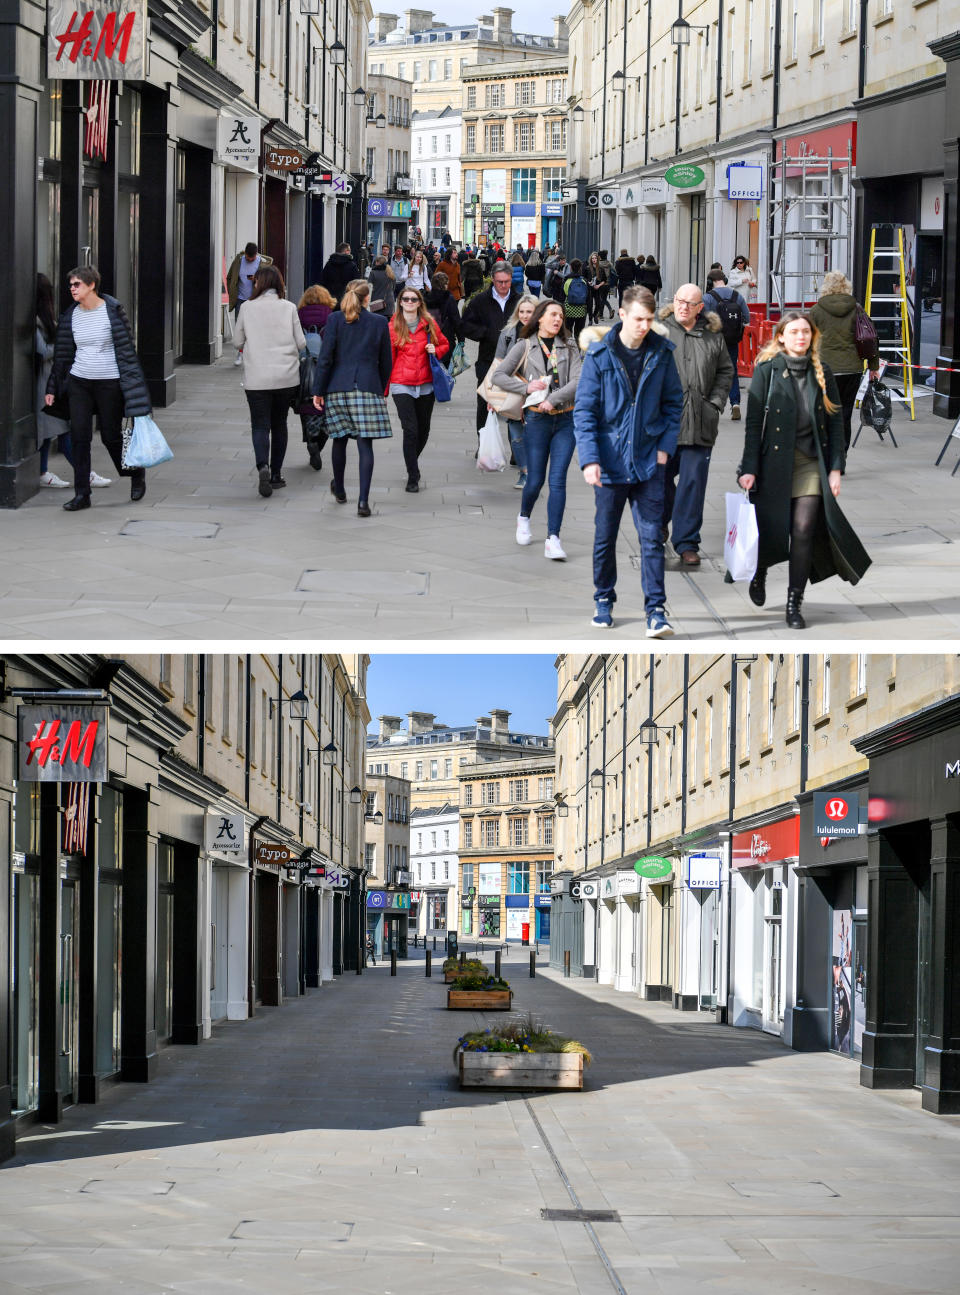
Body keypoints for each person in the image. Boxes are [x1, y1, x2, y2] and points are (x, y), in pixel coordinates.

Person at [738, 310, 871, 628]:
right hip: (773, 463)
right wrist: (749, 467)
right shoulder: (767, 369)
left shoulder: (822, 370)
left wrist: (836, 468)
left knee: (802, 532)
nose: (801, 336)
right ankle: (760, 573)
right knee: (771, 532)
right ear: (781, 336)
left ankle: (794, 603)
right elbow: (754, 423)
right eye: (794, 331)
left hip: (811, 464)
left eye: (806, 332)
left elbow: (837, 420)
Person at [573, 285, 684, 633]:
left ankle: (656, 610)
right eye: (638, 319)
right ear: (622, 315)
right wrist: (589, 459)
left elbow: (673, 403)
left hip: (649, 460)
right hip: (608, 461)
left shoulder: (662, 353)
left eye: (650, 320)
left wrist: (666, 445)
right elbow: (585, 411)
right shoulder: (599, 356)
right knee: (605, 535)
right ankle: (603, 599)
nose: (644, 326)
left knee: (652, 537)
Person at [45, 264, 151, 512]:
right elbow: (61, 357)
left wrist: (133, 386)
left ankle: (135, 473)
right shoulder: (70, 316)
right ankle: (82, 494)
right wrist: (52, 388)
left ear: (91, 285)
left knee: (111, 437)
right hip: (79, 382)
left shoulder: (112, 311)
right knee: (79, 437)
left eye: (77, 284)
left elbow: (127, 350)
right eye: (70, 285)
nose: (72, 288)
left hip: (109, 383)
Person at [492, 298, 583, 560]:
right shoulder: (524, 346)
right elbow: (499, 376)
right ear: (540, 318)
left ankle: (553, 538)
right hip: (536, 421)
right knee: (535, 479)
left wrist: (552, 400)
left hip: (566, 419)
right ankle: (524, 517)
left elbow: (579, 380)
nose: (557, 320)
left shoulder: (570, 346)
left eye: (560, 316)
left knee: (558, 480)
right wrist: (526, 388)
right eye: (552, 315)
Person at [658, 284, 734, 568]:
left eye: (691, 303)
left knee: (692, 482)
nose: (684, 307)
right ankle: (659, 525)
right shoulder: (659, 331)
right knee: (661, 479)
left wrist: (714, 404)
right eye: (680, 301)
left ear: (701, 307)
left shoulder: (713, 335)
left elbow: (726, 371)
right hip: (665, 424)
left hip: (700, 421)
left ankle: (687, 542)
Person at [312, 279, 393, 518]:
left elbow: (325, 359)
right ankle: (363, 502)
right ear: (367, 298)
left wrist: (318, 390)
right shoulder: (379, 322)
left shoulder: (335, 320)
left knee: (339, 439)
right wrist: (379, 388)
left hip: (338, 387)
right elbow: (386, 362)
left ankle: (339, 489)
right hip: (367, 387)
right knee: (364, 444)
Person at [233, 265, 305, 498]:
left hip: (257, 378)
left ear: (259, 284)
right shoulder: (289, 308)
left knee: (260, 425)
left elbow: (236, 342)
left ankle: (262, 465)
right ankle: (275, 474)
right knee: (280, 424)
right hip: (286, 377)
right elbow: (302, 342)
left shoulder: (247, 308)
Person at [809, 270, 880, 453]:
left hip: (826, 369)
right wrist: (873, 367)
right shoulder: (856, 309)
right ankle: (841, 456)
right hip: (852, 369)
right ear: (846, 285)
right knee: (845, 413)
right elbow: (870, 337)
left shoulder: (816, 310)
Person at [388, 286, 450, 492]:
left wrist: (436, 349)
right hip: (401, 383)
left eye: (413, 299)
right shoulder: (393, 325)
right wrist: (385, 387)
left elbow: (445, 344)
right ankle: (413, 475)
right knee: (410, 429)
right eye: (405, 299)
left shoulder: (428, 324)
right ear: (400, 302)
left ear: (419, 302)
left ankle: (411, 459)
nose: (409, 302)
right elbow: (388, 358)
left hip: (426, 384)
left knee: (424, 429)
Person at [462, 263, 522, 435]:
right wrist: (486, 333)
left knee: (514, 404)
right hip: (488, 360)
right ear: (492, 280)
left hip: (514, 362)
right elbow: (465, 325)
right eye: (499, 282)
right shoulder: (480, 301)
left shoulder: (519, 301)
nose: (503, 286)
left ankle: (516, 449)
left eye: (507, 282)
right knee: (484, 403)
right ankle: (484, 446)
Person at [36, 272, 83, 490]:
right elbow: (42, 350)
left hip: (49, 382)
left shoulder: (43, 320)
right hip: (44, 384)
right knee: (60, 429)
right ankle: (84, 472)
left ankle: (43, 472)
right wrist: (62, 345)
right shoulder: (37, 322)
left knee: (51, 431)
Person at [492, 294, 538, 489]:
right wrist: (493, 394)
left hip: (537, 391)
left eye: (529, 311)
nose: (525, 315)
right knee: (516, 435)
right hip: (513, 390)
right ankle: (524, 472)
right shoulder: (509, 332)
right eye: (522, 311)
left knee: (535, 434)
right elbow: (498, 363)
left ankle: (535, 470)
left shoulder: (545, 333)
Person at [296, 284, 336, 471]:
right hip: (325, 371)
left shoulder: (298, 315)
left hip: (303, 371)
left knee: (306, 408)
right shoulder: (332, 316)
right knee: (326, 411)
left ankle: (310, 440)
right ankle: (318, 444)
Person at [704, 270, 750, 420]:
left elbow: (702, 319)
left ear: (710, 282)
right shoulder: (737, 296)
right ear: (724, 279)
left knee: (712, 371)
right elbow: (747, 317)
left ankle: (713, 404)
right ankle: (735, 403)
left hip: (713, 340)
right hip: (731, 340)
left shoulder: (708, 298)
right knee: (732, 371)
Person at [424, 271, 464, 361]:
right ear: (445, 284)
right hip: (445, 336)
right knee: (445, 367)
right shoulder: (449, 298)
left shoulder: (425, 297)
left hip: (428, 336)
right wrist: (461, 339)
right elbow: (456, 319)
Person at [561, 259, 590, 341]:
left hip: (569, 310)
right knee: (579, 333)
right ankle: (578, 350)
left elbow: (562, 296)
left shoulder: (567, 280)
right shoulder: (584, 280)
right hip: (581, 311)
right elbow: (588, 298)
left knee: (568, 331)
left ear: (570, 267)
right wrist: (590, 314)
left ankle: (569, 349)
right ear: (580, 267)